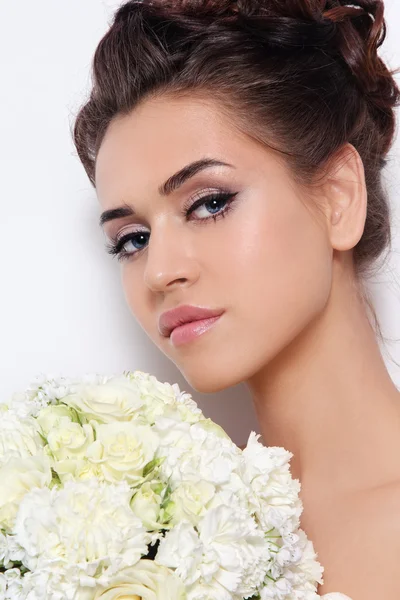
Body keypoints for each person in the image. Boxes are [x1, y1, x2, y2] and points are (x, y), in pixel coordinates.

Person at [71, 0, 400, 597]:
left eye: (210, 202)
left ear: (338, 197)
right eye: (133, 239)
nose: (160, 272)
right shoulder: (146, 544)